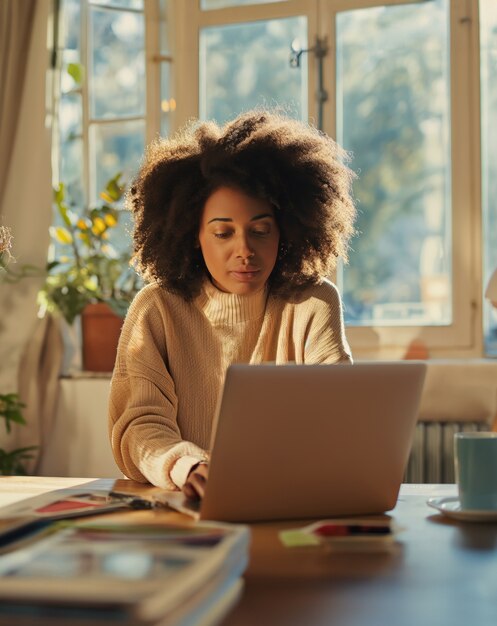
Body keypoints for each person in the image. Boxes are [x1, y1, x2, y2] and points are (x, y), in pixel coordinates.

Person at [108, 109, 356, 501]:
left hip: (292, 500)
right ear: (192, 235)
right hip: (188, 505)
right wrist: (186, 464)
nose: (244, 250)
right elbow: (139, 424)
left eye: (260, 231)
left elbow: (341, 412)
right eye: (223, 233)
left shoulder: (313, 302)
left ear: (287, 231)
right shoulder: (157, 309)